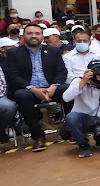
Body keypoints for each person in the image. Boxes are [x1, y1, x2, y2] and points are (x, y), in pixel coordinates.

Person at [5, 24, 69, 152]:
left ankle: (70, 130)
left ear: (42, 36)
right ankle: (38, 136)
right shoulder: (13, 53)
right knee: (23, 96)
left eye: (37, 33)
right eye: (30, 33)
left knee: (69, 90)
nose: (34, 36)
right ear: (23, 36)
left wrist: (53, 87)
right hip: (26, 90)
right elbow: (12, 75)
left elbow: (61, 71)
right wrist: (32, 88)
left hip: (50, 88)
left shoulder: (53, 51)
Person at [61, 59, 100, 157]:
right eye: (95, 71)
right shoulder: (79, 80)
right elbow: (66, 98)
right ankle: (83, 144)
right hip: (82, 117)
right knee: (71, 117)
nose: (98, 74)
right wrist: (83, 82)